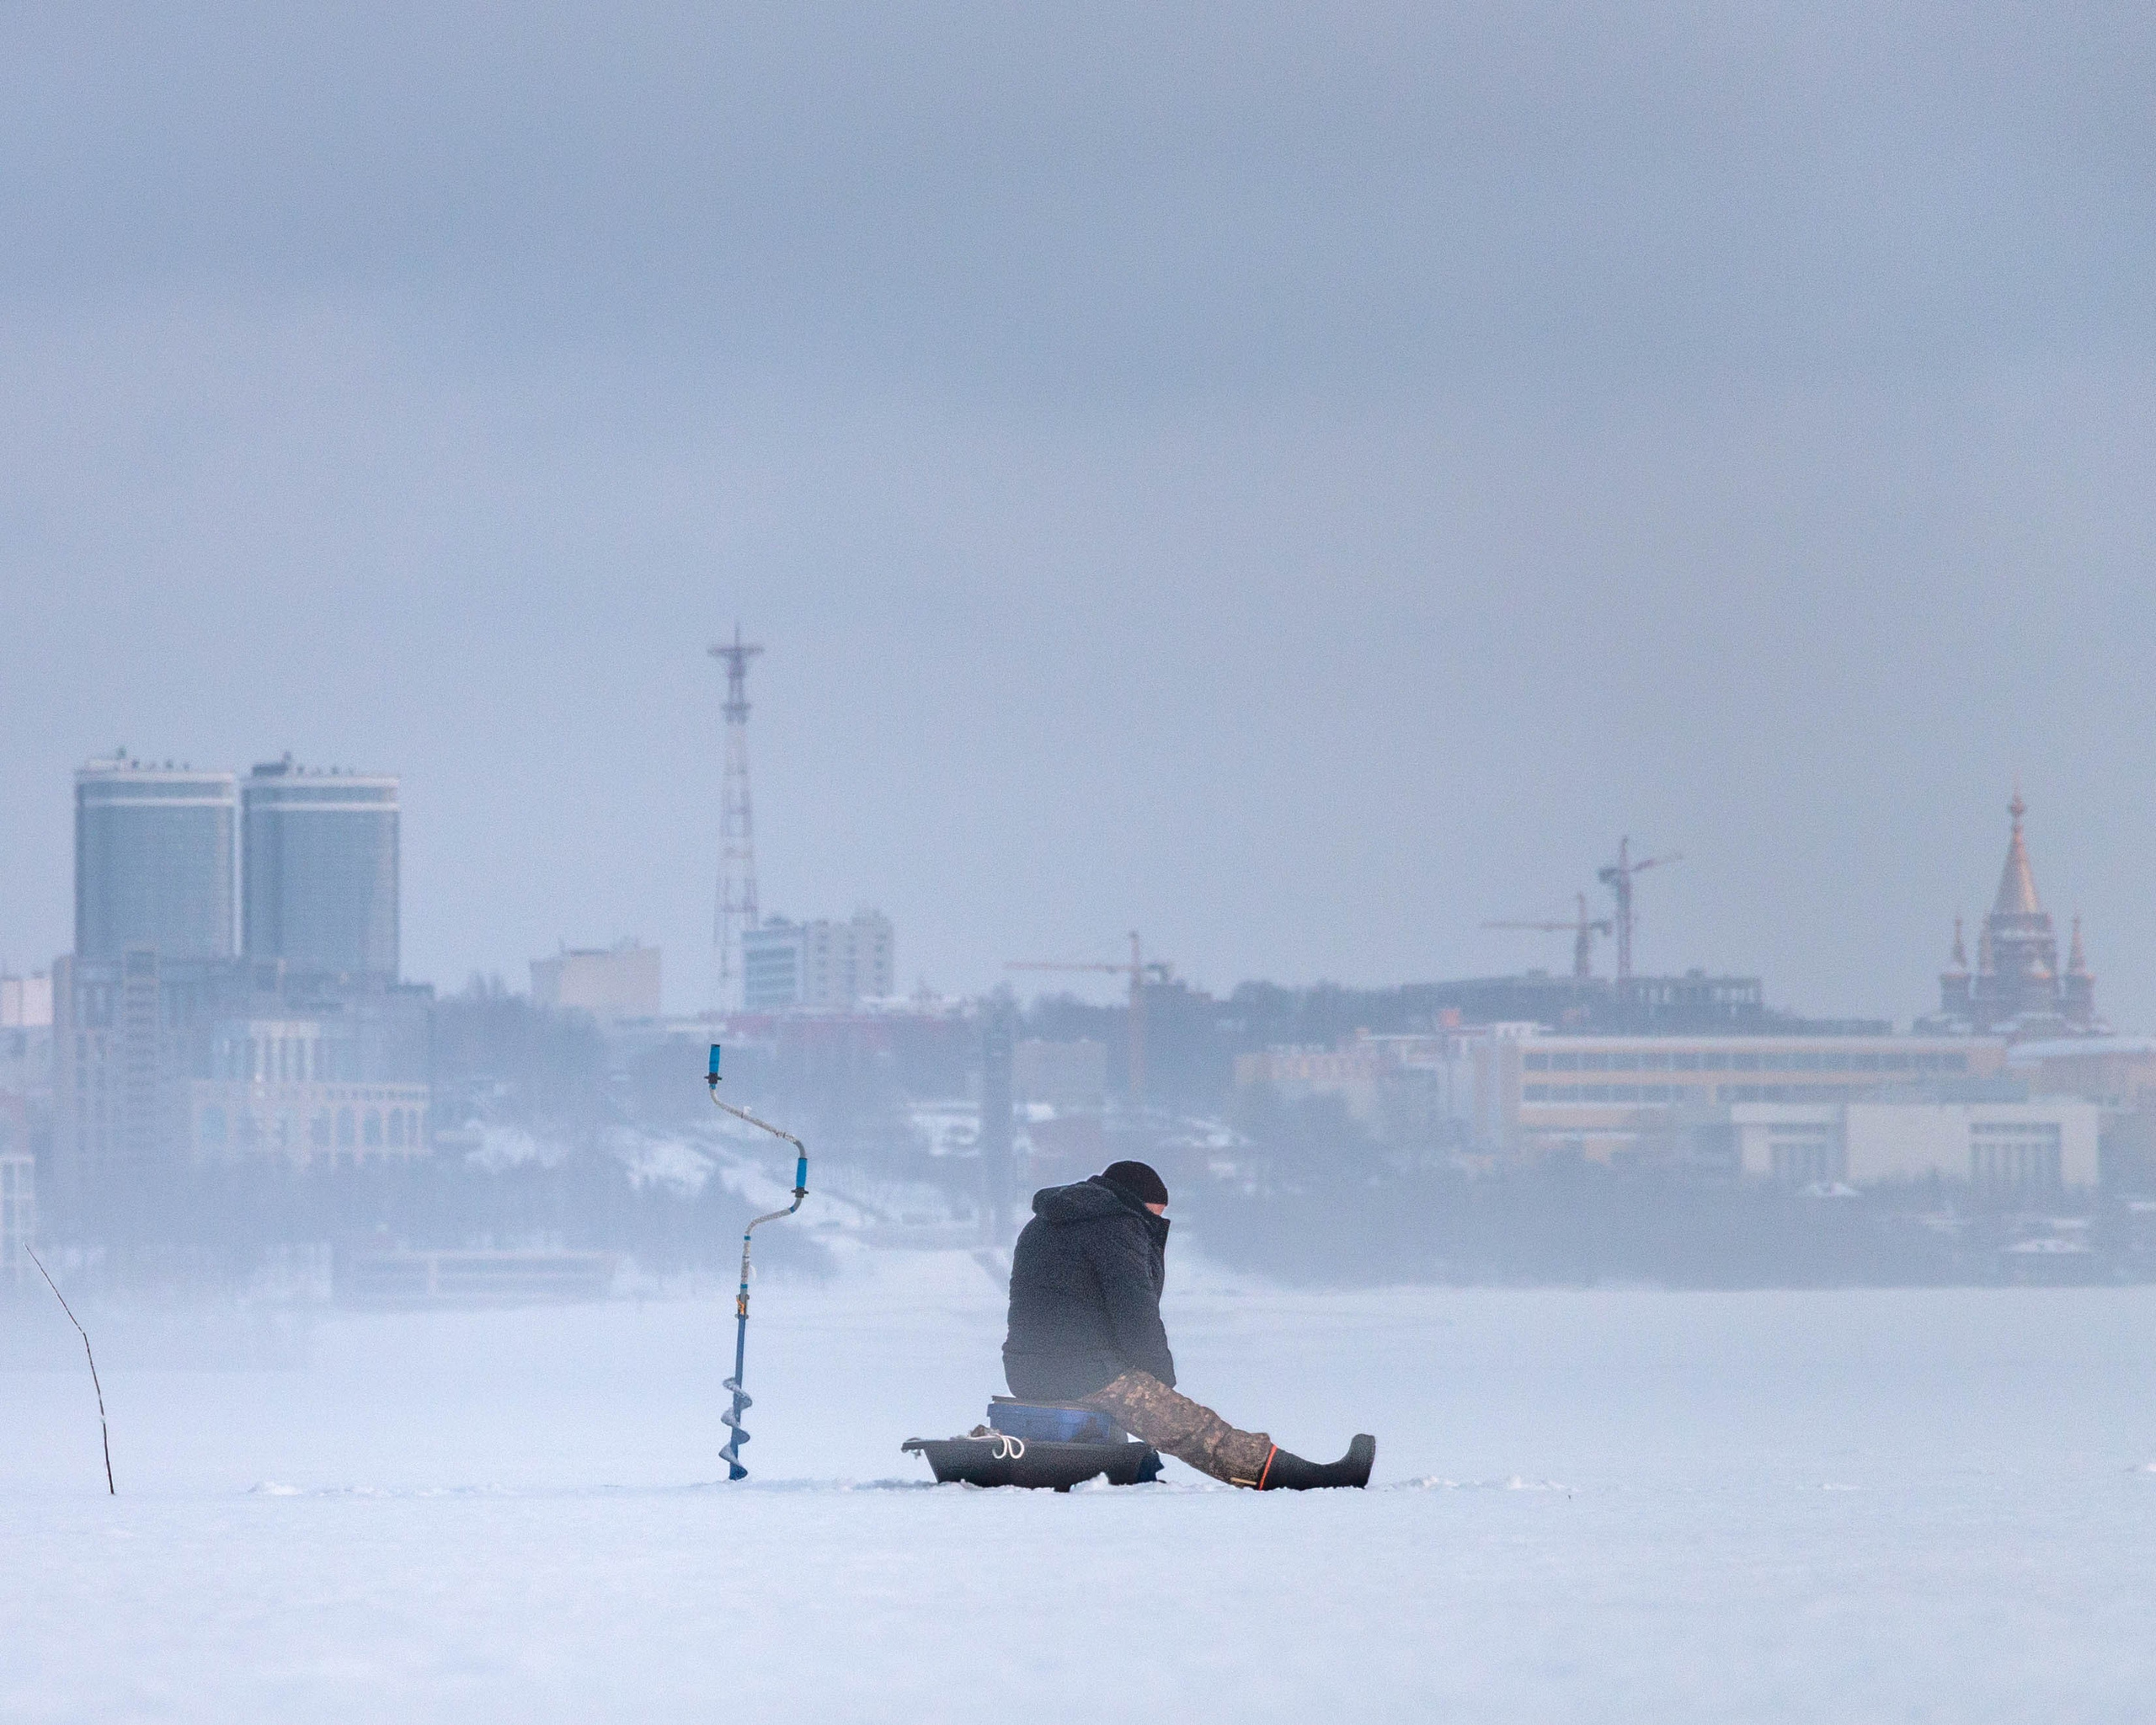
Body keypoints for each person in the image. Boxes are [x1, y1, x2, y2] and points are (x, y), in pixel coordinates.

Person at [1002, 1158, 1374, 1489]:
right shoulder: (1116, 1226)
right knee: (1196, 1430)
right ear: (1135, 1203)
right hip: (1085, 1372)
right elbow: (1136, 1312)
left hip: (1024, 1369)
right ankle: (1309, 1480)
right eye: (1154, 1216)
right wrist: (1160, 1380)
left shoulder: (1043, 1223)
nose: (1155, 1225)